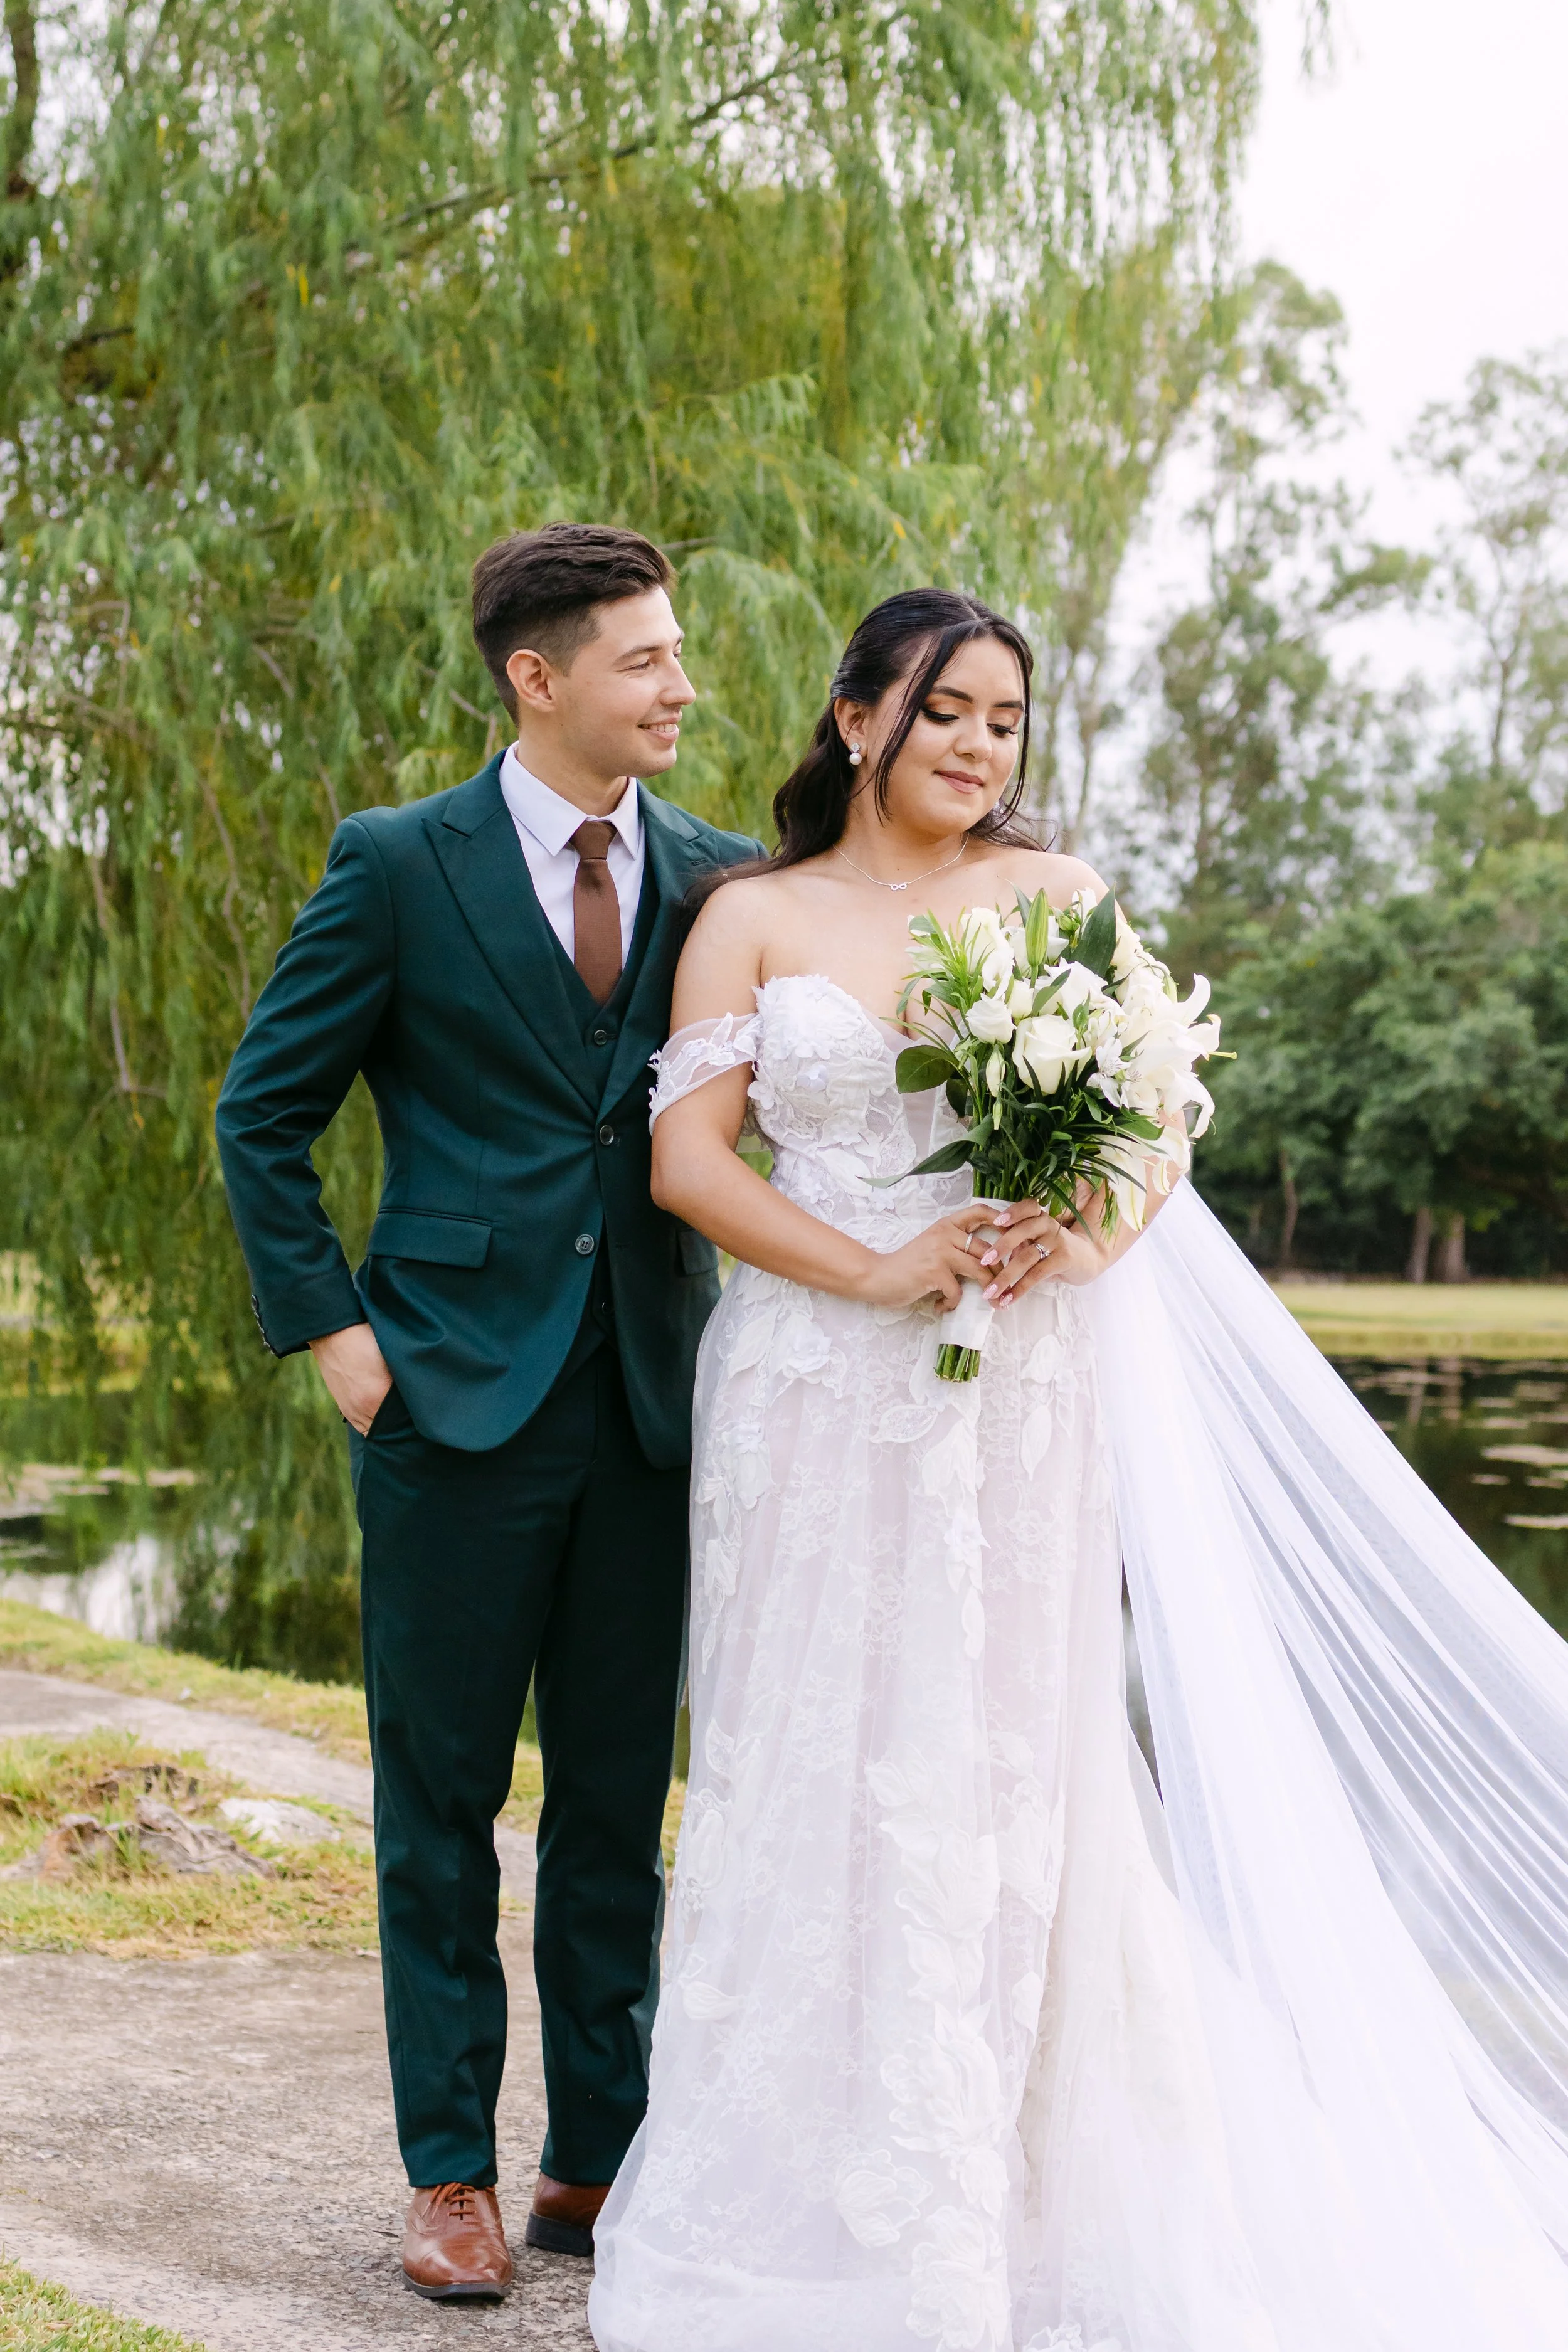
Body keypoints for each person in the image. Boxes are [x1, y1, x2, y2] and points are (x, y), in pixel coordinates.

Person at [588, 588, 1568, 2351]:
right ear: (851, 713)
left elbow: (1153, 1123)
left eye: (1007, 722)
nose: (977, 747)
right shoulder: (748, 913)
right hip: (813, 1381)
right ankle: (807, 2197)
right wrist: (872, 1262)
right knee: (805, 1758)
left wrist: (1087, 1233)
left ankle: (1017, 2193)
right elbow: (687, 1161)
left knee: (1005, 1762)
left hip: (1015, 1386)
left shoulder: (1057, 903)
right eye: (946, 710)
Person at [215, 524, 763, 2300]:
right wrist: (341, 1343)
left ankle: (593, 2158)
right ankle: (446, 2170)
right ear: (538, 676)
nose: (680, 685)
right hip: (443, 1402)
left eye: (678, 657)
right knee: (438, 1804)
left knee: (615, 1806)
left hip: (647, 1409)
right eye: (645, 659)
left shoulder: (717, 877)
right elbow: (260, 1117)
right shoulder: (395, 864)